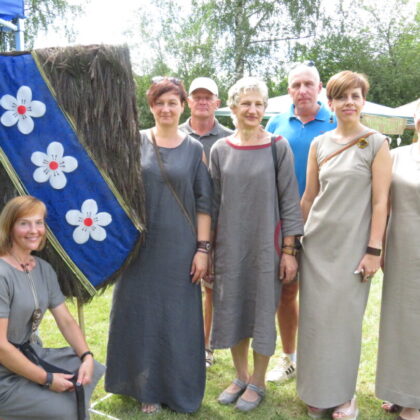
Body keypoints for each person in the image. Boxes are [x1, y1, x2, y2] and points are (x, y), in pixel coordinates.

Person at [105, 77, 212, 414]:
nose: (166, 109)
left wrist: (203, 249)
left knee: (176, 318)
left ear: (182, 106)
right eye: (159, 103)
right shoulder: (134, 142)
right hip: (139, 247)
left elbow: (204, 203)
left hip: (180, 247)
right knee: (139, 314)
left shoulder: (194, 149)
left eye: (172, 103)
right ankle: (144, 387)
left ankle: (175, 387)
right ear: (151, 106)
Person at [297, 71, 392, 419]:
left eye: (355, 96)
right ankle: (316, 391)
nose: (349, 102)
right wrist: (294, 244)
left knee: (345, 324)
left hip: (353, 249)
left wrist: (374, 250)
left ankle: (343, 396)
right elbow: (309, 198)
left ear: (363, 101)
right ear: (330, 103)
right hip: (316, 248)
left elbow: (381, 202)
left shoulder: (377, 143)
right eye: (341, 96)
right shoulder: (319, 144)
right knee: (315, 323)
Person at [210, 77, 303, 412]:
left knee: (263, 310)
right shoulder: (220, 150)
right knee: (233, 307)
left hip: (268, 246)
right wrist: (209, 249)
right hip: (229, 247)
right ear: (233, 107)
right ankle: (241, 375)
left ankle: (259, 380)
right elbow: (213, 203)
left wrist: (289, 251)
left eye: (259, 104)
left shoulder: (277, 146)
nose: (253, 110)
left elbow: (289, 200)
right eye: (246, 103)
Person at [0, 195, 105, 420]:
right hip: (3, 371)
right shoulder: (1, 273)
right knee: (67, 409)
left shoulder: (43, 269)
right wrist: (47, 379)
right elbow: (1, 347)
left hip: (31, 354)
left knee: (85, 369)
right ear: (9, 227)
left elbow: (65, 320)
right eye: (24, 223)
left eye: (38, 222)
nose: (34, 230)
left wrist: (86, 356)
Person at [265, 62, 336, 383]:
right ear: (289, 90)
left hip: (326, 225)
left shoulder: (337, 121)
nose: (303, 90)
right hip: (284, 226)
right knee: (286, 291)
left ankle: (321, 359)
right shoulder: (276, 123)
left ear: (320, 88)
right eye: (296, 85)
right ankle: (289, 358)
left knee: (322, 296)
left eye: (309, 84)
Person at [180, 76, 232, 368]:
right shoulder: (174, 134)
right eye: (196, 97)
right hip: (180, 223)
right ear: (188, 101)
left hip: (217, 225)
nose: (202, 102)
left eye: (207, 97)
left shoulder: (229, 138)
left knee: (210, 287)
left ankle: (206, 346)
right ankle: (180, 343)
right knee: (181, 285)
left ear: (217, 103)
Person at [375, 99, 420, 420]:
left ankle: (415, 400)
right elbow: (383, 203)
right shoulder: (397, 155)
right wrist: (378, 246)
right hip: (400, 247)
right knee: (398, 321)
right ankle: (399, 391)